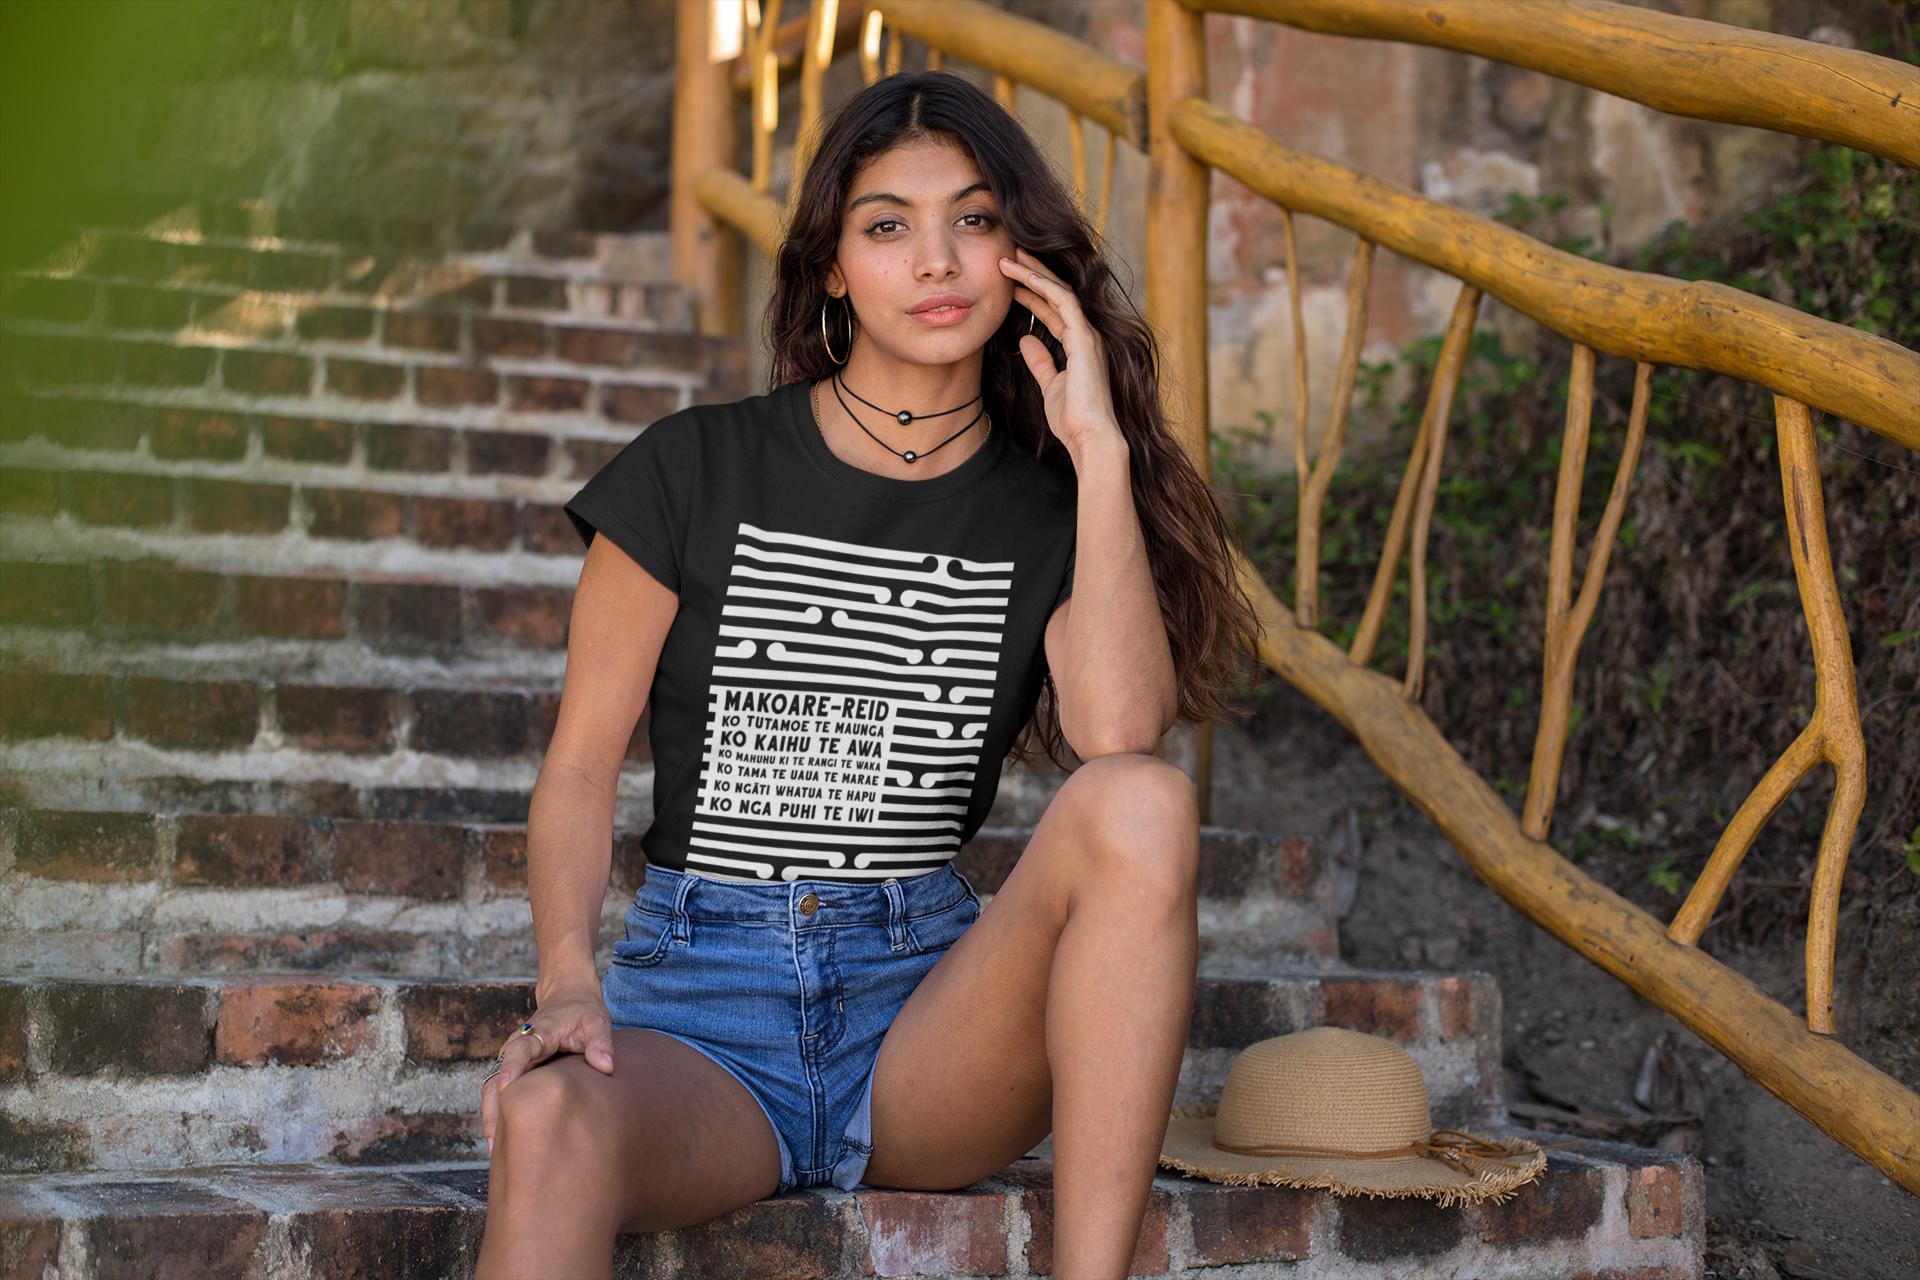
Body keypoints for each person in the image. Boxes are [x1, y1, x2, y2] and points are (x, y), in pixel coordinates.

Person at [474, 71, 1254, 1280]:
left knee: (1143, 798)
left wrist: (1096, 448)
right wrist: (569, 980)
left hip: (926, 1021)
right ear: (834, 265)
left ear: (1020, 256)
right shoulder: (694, 469)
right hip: (702, 1012)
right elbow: (578, 766)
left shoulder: (1051, 506)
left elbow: (1118, 731)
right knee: (544, 1117)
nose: (935, 259)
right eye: (888, 225)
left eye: (975, 219)